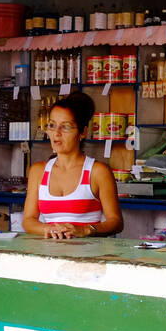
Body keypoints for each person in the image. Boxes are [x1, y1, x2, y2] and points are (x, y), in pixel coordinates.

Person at [21, 92, 123, 239]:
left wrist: (86, 230)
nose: (56, 133)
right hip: (50, 256)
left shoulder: (98, 171)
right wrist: (50, 229)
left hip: (89, 256)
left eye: (66, 127)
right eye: (52, 125)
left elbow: (116, 222)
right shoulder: (38, 171)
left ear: (82, 132)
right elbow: (28, 221)